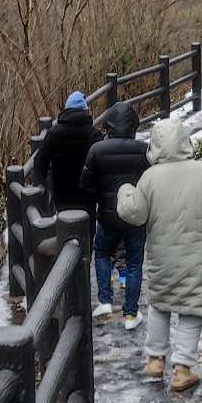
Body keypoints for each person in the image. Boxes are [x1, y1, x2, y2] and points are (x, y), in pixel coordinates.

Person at [117, 117, 202, 393]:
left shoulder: (149, 178)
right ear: (184, 141)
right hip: (198, 262)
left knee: (160, 306)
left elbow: (134, 213)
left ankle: (155, 360)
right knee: (191, 313)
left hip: (162, 261)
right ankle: (182, 370)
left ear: (154, 146)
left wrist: (125, 191)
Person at [80, 101, 149, 329]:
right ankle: (130, 314)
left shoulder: (97, 150)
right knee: (134, 264)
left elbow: (86, 185)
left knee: (101, 253)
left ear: (109, 124)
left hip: (107, 216)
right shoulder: (144, 150)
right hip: (136, 216)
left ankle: (105, 301)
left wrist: (100, 199)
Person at [32, 91, 97, 221]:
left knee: (64, 230)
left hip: (62, 196)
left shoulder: (53, 134)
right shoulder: (94, 135)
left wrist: (46, 184)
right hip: (88, 196)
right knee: (88, 230)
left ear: (66, 110)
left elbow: (39, 163)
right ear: (85, 111)